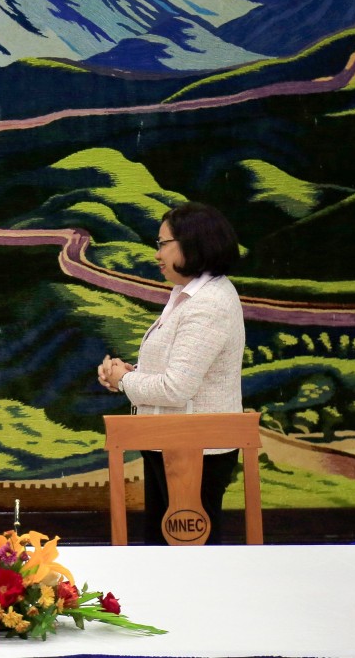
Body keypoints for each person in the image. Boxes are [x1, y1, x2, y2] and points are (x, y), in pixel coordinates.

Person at [97, 202, 244, 545]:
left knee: (188, 554)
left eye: (163, 243)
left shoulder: (208, 303)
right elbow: (177, 370)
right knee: (163, 550)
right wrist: (130, 374)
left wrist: (123, 380)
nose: (157, 253)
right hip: (173, 444)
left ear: (193, 243)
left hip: (195, 451)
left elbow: (177, 387)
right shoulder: (188, 293)